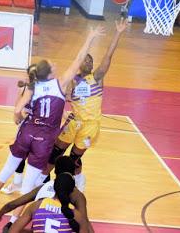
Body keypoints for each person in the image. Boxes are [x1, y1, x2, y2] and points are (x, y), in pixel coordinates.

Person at [0, 26, 105, 216]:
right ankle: (13, 221)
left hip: (27, 132)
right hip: (43, 139)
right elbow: (78, 59)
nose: (56, 65)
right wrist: (90, 36)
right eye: (53, 65)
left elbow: (17, 110)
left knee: (7, 168)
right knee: (29, 185)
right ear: (50, 74)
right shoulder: (60, 84)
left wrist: (20, 119)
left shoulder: (33, 86)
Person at [41, 19, 128, 191]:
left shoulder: (96, 78)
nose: (89, 62)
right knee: (55, 153)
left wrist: (118, 33)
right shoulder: (72, 80)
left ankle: (76, 182)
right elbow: (61, 97)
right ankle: (42, 181)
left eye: (91, 61)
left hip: (90, 126)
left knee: (73, 159)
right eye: (86, 60)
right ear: (80, 64)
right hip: (74, 122)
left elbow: (107, 57)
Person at [0, 156, 93, 233]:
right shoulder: (77, 196)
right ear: (73, 174)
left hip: (40, 223)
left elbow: (12, 204)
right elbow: (85, 222)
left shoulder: (41, 191)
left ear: (55, 171)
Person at [8, 173, 90, 233]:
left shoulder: (36, 206)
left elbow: (12, 231)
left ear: (54, 187)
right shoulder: (77, 216)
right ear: (72, 191)